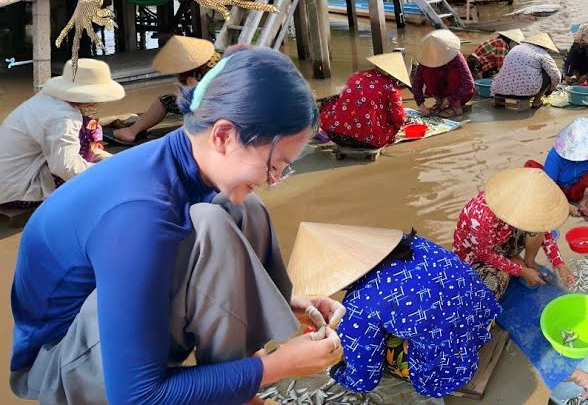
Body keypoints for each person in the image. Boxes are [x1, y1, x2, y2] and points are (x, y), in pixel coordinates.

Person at [9, 46, 344, 404]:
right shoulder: (141, 214)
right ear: (223, 135)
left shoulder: (179, 160)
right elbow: (136, 397)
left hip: (103, 331)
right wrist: (278, 367)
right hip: (59, 366)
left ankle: (238, 378)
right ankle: (241, 386)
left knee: (245, 209)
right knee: (215, 225)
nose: (273, 179)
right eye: (274, 165)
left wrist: (283, 299)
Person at [285, 222, 500, 400]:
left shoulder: (360, 304)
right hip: (482, 320)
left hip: (451, 364)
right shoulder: (412, 243)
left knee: (355, 345)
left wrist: (336, 368)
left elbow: (364, 380)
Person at [0, 59, 124, 208]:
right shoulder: (63, 118)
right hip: (17, 191)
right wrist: (112, 173)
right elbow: (67, 168)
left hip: (9, 179)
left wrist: (116, 162)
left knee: (87, 132)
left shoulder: (47, 98)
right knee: (90, 137)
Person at [453, 167, 576, 299]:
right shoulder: (482, 215)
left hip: (502, 240)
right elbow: (484, 254)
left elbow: (544, 230)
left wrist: (560, 265)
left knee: (537, 228)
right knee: (492, 288)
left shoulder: (520, 206)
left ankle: (525, 262)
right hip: (477, 257)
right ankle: (515, 263)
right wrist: (522, 271)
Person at [108, 36, 219, 144]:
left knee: (166, 100)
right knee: (173, 99)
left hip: (216, 111)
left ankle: (132, 131)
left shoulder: (197, 75)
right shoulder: (216, 62)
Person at [319, 54, 411, 149]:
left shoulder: (356, 75)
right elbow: (399, 119)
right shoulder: (391, 87)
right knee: (393, 122)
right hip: (368, 140)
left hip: (336, 134)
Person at [539, 117, 588, 220]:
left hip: (577, 189)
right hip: (560, 189)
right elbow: (549, 187)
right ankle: (563, 205)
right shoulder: (555, 156)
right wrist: (568, 207)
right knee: (534, 173)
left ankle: (582, 203)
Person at [412, 29, 476, 117]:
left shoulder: (456, 56)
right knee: (427, 71)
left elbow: (469, 83)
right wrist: (421, 105)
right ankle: (439, 102)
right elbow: (416, 83)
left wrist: (451, 99)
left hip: (460, 95)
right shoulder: (426, 59)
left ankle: (457, 107)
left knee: (454, 73)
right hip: (441, 91)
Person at [491, 32, 562, 104]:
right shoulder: (543, 54)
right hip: (524, 94)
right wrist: (550, 90)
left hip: (499, 91)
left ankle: (500, 100)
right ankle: (537, 101)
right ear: (546, 47)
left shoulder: (516, 48)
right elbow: (556, 76)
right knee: (548, 73)